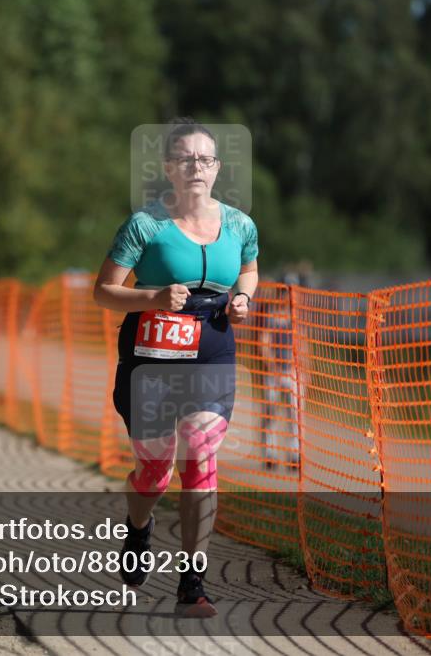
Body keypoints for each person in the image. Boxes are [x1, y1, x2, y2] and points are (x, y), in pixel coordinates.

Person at [93, 118, 258, 618]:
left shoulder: (239, 224)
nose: (196, 168)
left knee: (202, 460)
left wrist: (244, 297)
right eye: (185, 159)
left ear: (217, 168)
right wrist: (154, 297)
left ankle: (193, 585)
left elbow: (249, 266)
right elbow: (103, 291)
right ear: (168, 168)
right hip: (152, 359)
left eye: (205, 159)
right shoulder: (145, 225)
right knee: (155, 471)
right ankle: (139, 528)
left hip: (213, 351)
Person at [258, 298, 300, 470]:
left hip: (292, 372)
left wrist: (302, 369)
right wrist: (272, 366)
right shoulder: (271, 317)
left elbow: (301, 343)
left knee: (294, 416)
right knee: (270, 414)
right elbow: (264, 343)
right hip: (273, 372)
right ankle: (270, 454)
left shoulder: (295, 318)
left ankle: (294, 455)